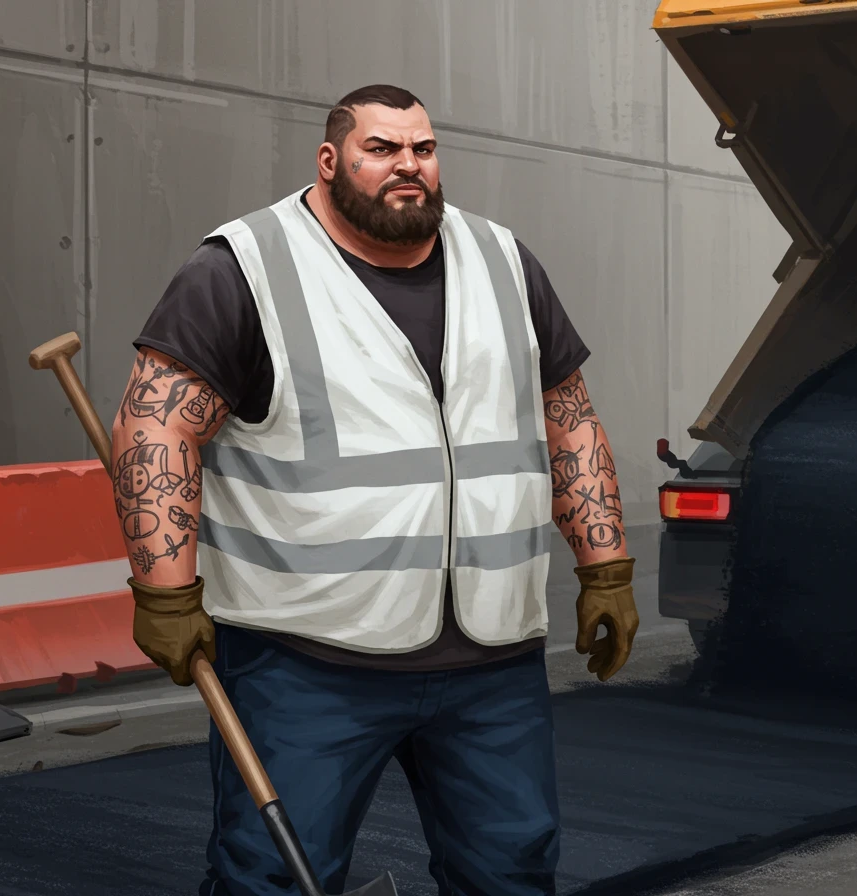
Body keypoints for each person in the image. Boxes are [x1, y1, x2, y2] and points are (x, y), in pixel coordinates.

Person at [109, 83, 639, 896]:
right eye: (382, 150)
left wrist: (606, 568)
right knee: (273, 880)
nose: (408, 168)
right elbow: (156, 429)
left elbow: (567, 416)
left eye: (422, 150)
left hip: (492, 661)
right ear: (330, 161)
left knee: (513, 873)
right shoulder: (245, 267)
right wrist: (165, 593)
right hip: (307, 662)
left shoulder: (501, 259)